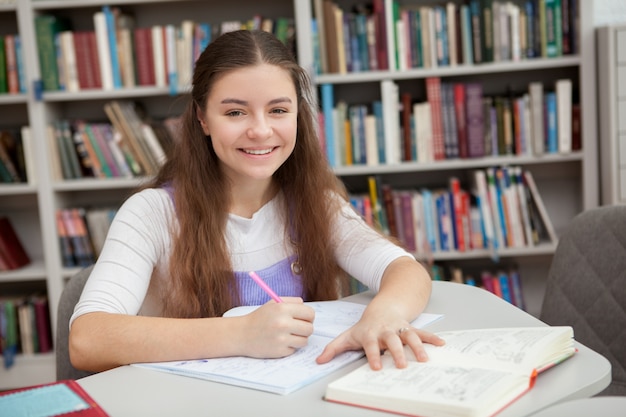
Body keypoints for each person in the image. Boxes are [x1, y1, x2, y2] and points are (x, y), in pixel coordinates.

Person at [69, 30, 443, 374]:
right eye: (235, 112)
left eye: (278, 110)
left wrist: (383, 316)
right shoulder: (151, 213)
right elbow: (87, 340)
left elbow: (405, 270)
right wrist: (242, 333)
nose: (261, 130)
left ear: (298, 114)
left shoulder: (315, 204)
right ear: (202, 118)